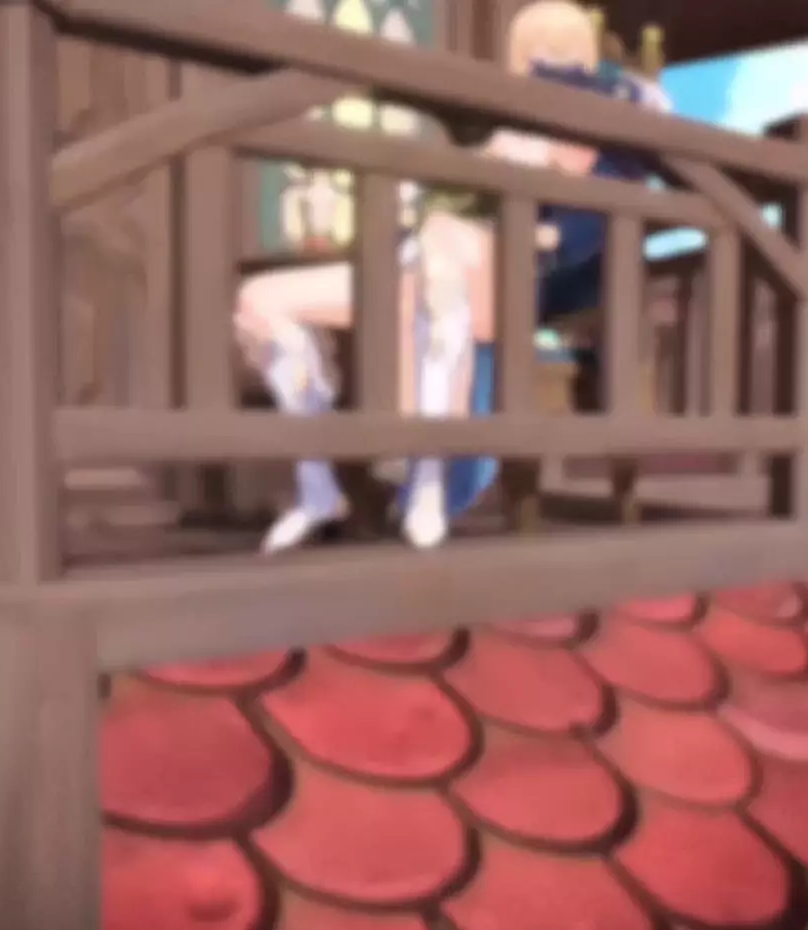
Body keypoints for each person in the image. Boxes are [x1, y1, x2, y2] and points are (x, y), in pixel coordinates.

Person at [233, 0, 670, 553]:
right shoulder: (506, 120)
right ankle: (317, 484)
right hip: (423, 259)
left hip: (504, 281)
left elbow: (584, 227)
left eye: (562, 54)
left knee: (443, 258)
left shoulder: (612, 142)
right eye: (535, 54)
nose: (548, 66)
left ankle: (428, 479)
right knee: (262, 300)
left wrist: (539, 219)